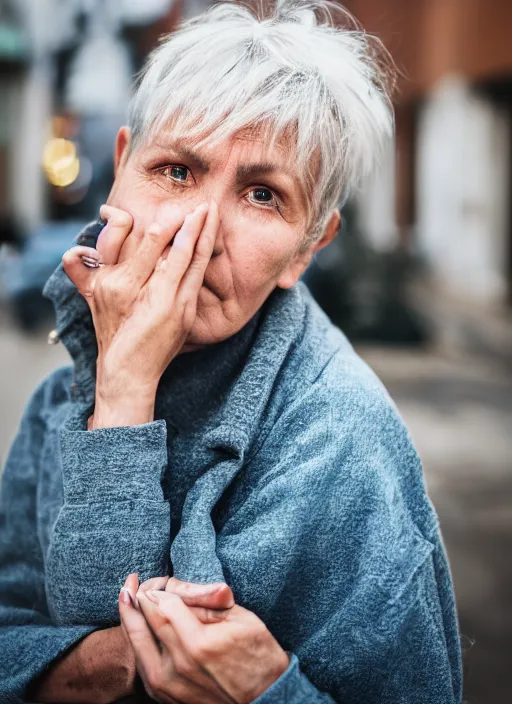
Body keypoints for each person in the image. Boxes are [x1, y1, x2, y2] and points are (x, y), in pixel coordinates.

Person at [0, 2, 462, 703]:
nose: (201, 230)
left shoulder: (342, 445)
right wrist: (123, 388)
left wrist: (273, 690)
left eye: (262, 194)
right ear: (121, 166)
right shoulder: (56, 402)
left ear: (306, 251)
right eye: (176, 171)